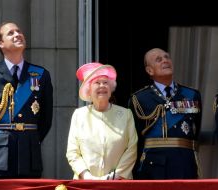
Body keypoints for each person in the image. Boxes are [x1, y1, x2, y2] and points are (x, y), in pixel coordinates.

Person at [0, 22, 53, 178]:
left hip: (29, 157)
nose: (17, 34)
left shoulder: (40, 75)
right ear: (1, 43)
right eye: (11, 33)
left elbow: (46, 120)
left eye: (19, 31)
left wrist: (30, 141)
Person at [128, 48, 202, 179]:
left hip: (185, 163)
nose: (165, 60)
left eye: (167, 57)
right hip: (152, 166)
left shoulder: (191, 95)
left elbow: (195, 132)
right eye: (159, 59)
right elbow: (135, 140)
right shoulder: (139, 99)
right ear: (149, 70)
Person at [66, 62, 138, 180]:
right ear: (89, 90)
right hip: (85, 184)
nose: (102, 86)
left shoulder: (126, 114)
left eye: (105, 83)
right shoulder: (79, 115)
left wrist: (116, 176)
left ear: (111, 88)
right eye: (97, 83)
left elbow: (132, 148)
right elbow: (72, 152)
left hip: (119, 183)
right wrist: (87, 177)